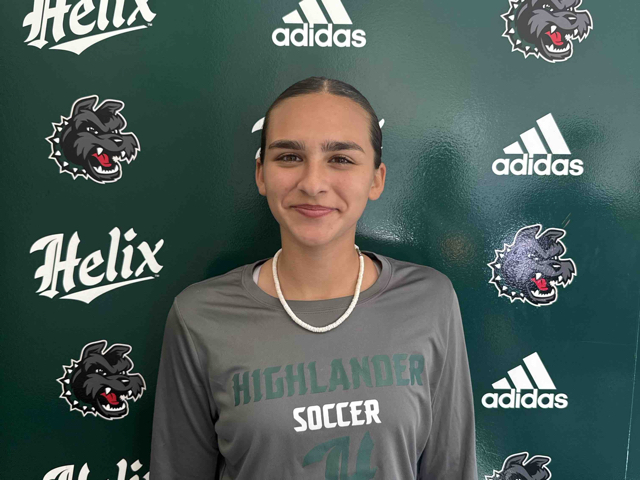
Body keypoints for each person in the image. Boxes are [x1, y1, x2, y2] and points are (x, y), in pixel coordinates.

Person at [150, 76, 477, 479]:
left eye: (341, 159)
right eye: (289, 157)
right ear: (261, 174)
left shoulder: (429, 301)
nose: (313, 183)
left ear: (376, 179)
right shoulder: (199, 316)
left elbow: (451, 468)